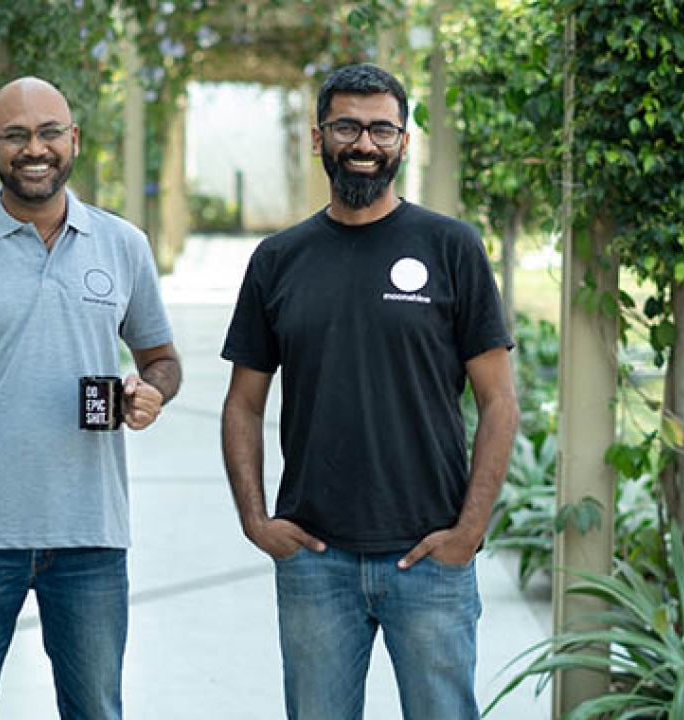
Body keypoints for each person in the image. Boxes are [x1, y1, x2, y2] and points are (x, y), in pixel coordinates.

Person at [220, 63, 519, 720]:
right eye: (347, 126)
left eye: (382, 128)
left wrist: (468, 532)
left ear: (404, 142)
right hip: (315, 561)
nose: (364, 143)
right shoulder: (278, 259)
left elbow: (499, 401)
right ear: (319, 138)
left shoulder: (452, 248)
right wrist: (254, 520)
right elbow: (243, 403)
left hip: (430, 557)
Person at [0, 76, 181, 720]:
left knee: (97, 711)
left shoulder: (122, 245)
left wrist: (148, 392)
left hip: (90, 537)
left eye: (48, 132)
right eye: (15, 136)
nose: (34, 148)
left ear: (72, 140)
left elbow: (162, 361)